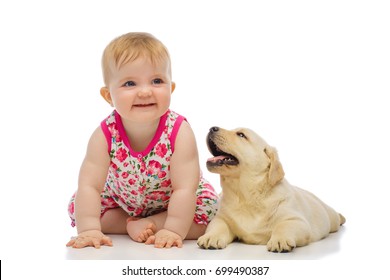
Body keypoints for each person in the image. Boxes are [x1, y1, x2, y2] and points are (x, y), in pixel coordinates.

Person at [66, 32, 218, 249]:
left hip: (173, 203)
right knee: (80, 206)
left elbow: (184, 189)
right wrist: (89, 229)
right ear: (108, 96)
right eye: (129, 83)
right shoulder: (104, 134)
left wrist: (173, 229)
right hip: (123, 201)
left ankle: (153, 223)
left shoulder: (179, 132)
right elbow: (89, 185)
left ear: (170, 88)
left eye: (157, 81)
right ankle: (129, 223)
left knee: (207, 214)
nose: (145, 91)